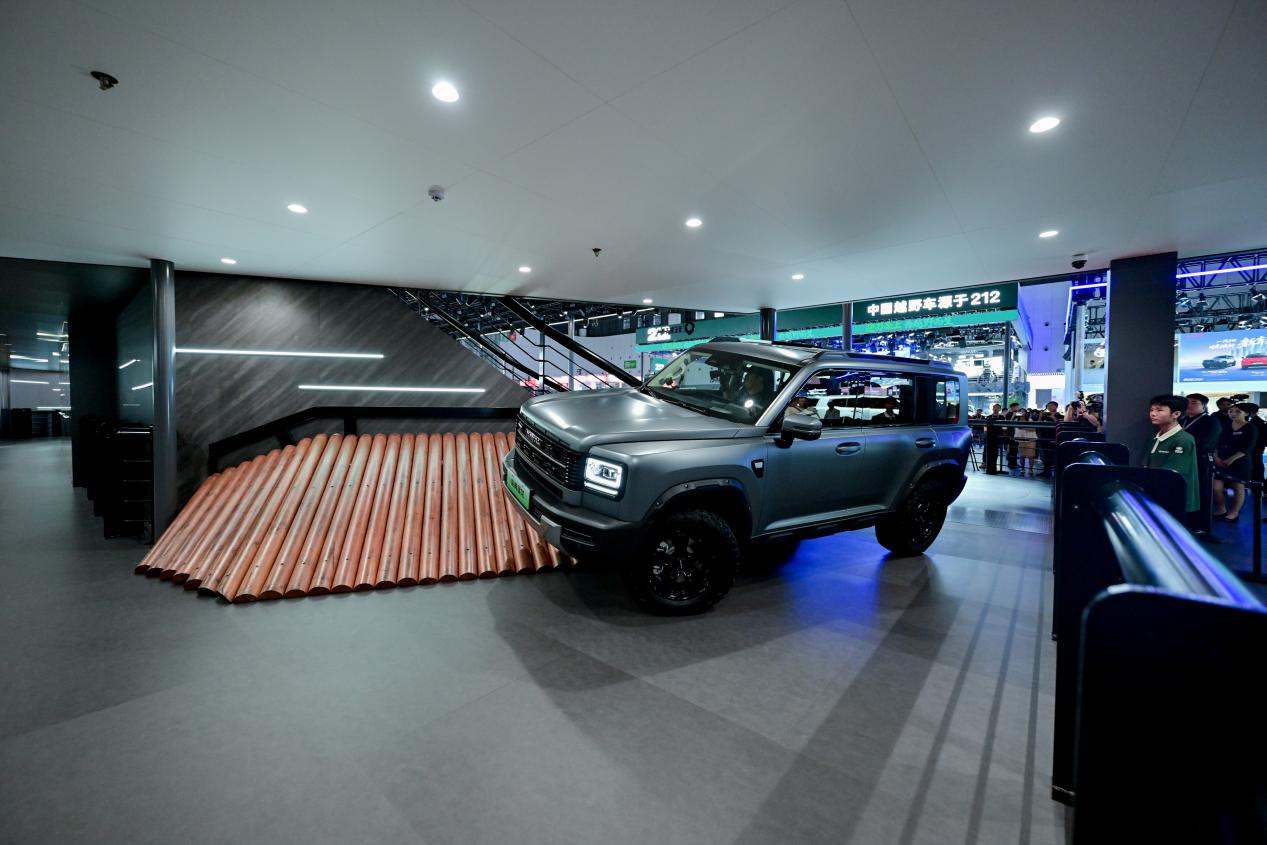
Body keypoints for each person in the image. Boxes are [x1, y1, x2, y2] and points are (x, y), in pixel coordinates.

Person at [1144, 395, 1200, 516]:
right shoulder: (1155, 436)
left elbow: (1174, 473)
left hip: (1175, 496)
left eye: (1159, 410)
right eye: (1151, 410)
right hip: (1157, 494)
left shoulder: (1183, 440)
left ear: (1176, 414)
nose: (1153, 414)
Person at [1181, 393, 1222, 534]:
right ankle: (1188, 522)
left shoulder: (1211, 422)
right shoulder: (1183, 420)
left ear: (1203, 406)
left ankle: (1201, 526)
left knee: (1201, 493)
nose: (1189, 405)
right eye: (1187, 402)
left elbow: (1204, 443)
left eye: (1194, 402)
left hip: (1201, 462)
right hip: (1184, 462)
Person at [1213, 402, 1259, 521]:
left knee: (1237, 486)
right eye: (1231, 411)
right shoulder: (1225, 426)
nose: (1233, 414)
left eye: (1238, 411)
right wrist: (1216, 457)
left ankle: (1234, 512)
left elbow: (1247, 447)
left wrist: (1231, 459)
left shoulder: (1251, 428)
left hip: (1240, 462)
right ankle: (1221, 508)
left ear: (1246, 413)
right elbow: (1216, 443)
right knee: (1216, 487)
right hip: (1221, 460)